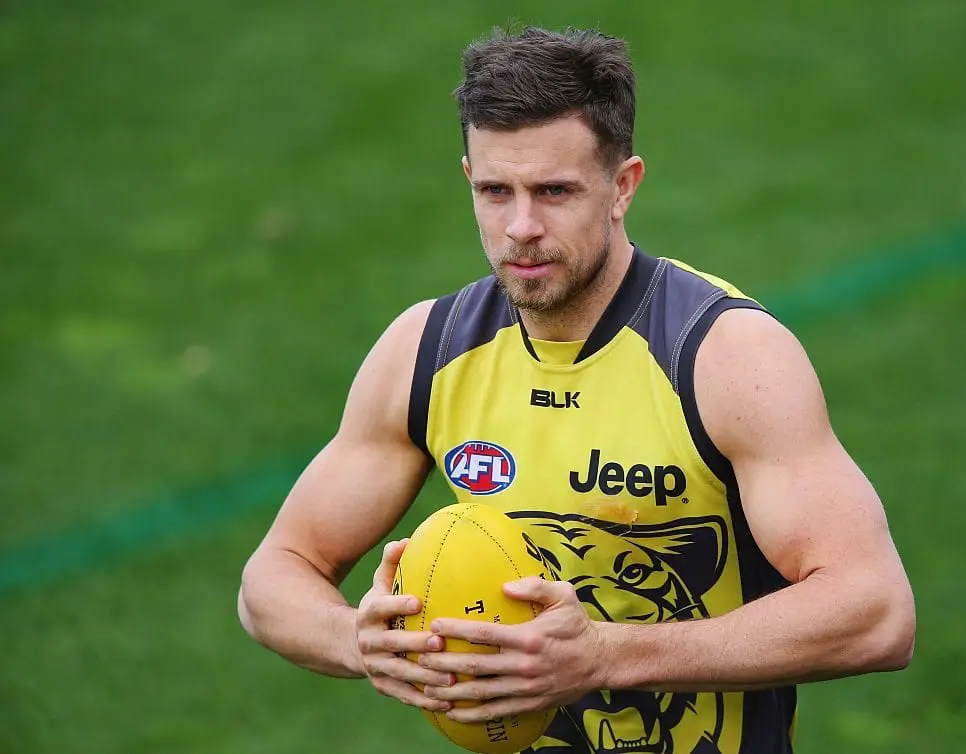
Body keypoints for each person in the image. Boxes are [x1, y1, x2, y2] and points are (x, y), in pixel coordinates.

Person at [238, 26, 915, 754]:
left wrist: (604, 657)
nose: (520, 228)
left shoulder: (724, 357)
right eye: (495, 191)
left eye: (554, 191)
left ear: (623, 186)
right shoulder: (426, 352)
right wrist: (355, 640)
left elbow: (874, 611)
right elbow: (271, 579)